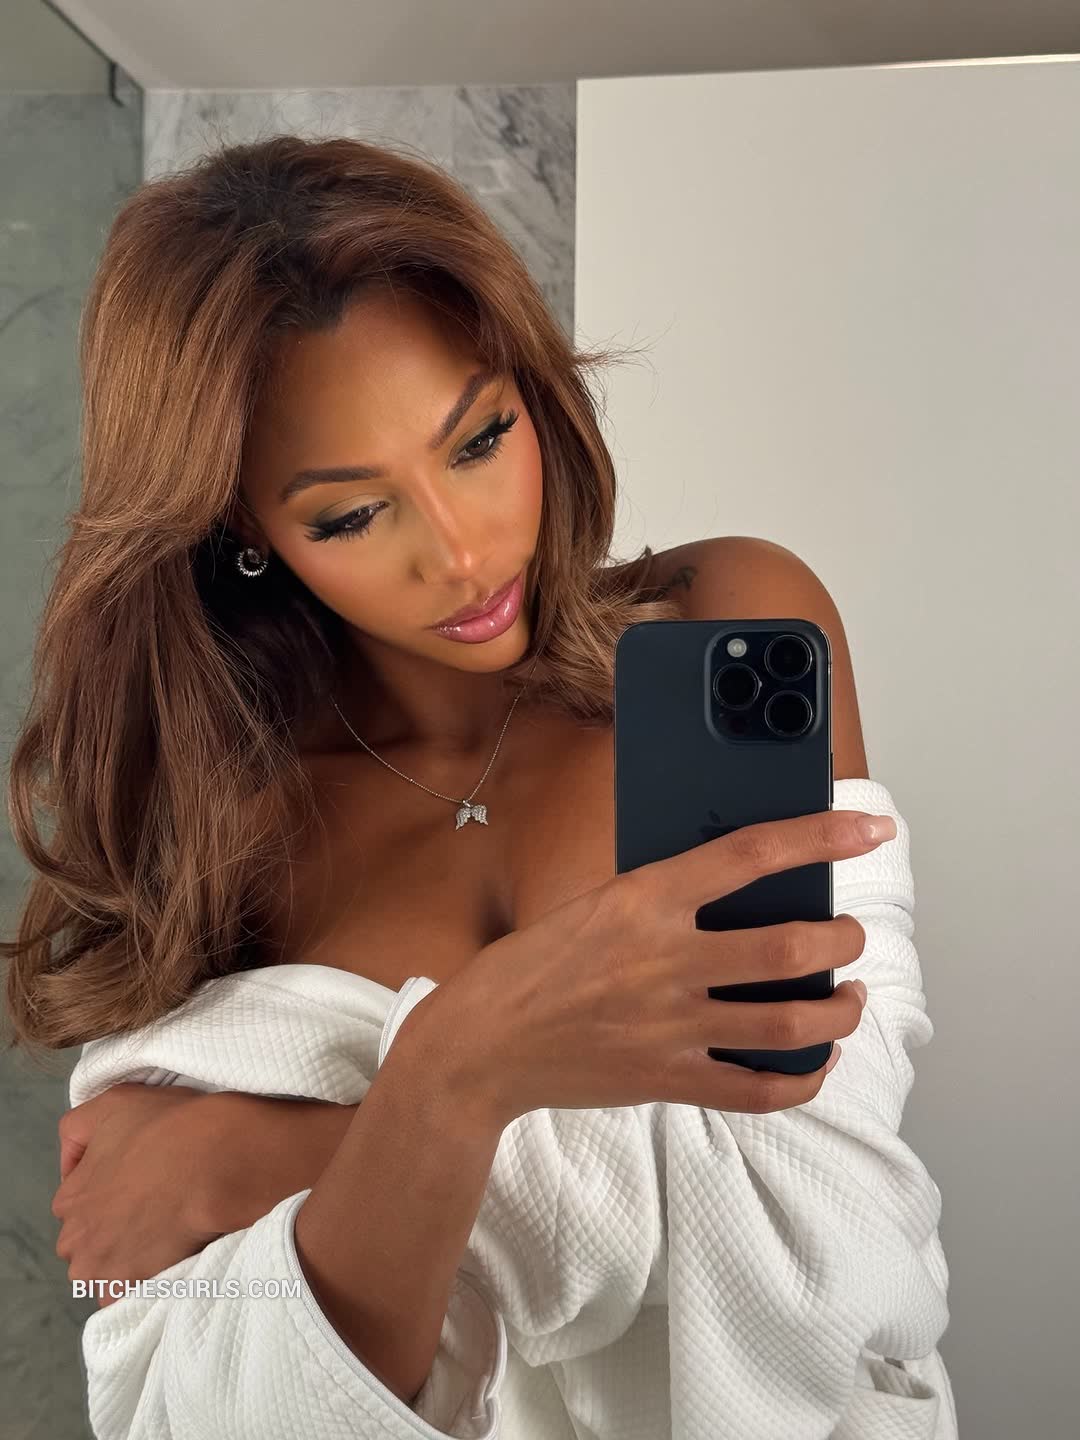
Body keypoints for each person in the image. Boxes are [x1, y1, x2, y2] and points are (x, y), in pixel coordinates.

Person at [1, 134, 957, 1439]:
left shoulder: (719, 634)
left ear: (531, 389)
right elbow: (187, 1362)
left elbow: (824, 1231)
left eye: (480, 438)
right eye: (350, 514)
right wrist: (447, 1094)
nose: (460, 554)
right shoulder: (224, 828)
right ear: (243, 528)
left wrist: (351, 1129)